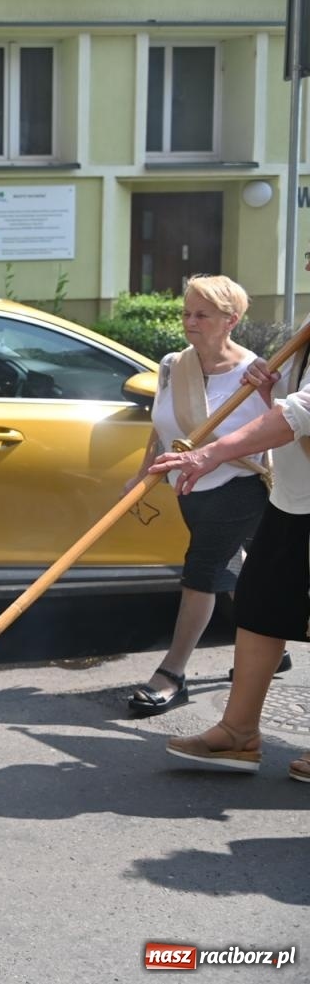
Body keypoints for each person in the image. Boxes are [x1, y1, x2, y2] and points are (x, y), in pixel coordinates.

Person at [151, 310, 310, 779]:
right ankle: (238, 734)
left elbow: (303, 413)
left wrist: (213, 451)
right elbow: (292, 409)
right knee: (260, 606)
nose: (307, 267)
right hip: (294, 497)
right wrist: (271, 391)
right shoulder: (308, 324)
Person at [122, 275, 276, 716]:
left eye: (202, 314)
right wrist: (141, 476)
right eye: (186, 313)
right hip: (187, 488)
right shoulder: (173, 364)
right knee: (234, 568)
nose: (190, 322)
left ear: (232, 319)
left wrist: (267, 391)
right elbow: (162, 427)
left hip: (239, 486)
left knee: (202, 571)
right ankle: (269, 641)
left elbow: (280, 429)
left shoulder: (257, 371)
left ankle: (172, 674)